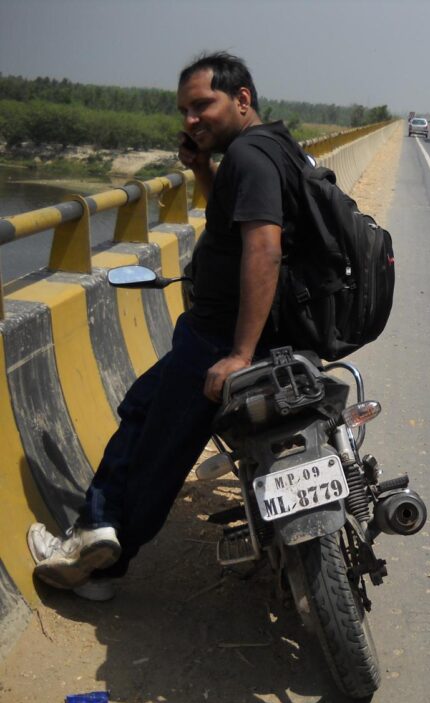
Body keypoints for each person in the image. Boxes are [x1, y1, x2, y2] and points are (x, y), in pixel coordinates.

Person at [27, 51, 308, 601]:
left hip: (221, 340)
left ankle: (101, 554)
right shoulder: (275, 147)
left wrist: (240, 354)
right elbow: (231, 225)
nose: (191, 120)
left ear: (242, 98)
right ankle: (99, 530)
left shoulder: (250, 158)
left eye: (203, 105)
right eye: (184, 110)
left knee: (159, 446)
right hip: (261, 333)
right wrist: (202, 171)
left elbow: (263, 248)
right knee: (141, 409)